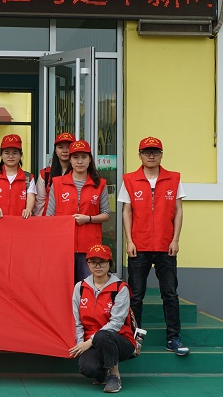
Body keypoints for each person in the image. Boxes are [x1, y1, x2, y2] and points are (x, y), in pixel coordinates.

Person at [118, 136, 189, 356]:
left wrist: (175, 239)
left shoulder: (173, 178)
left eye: (155, 151)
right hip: (139, 245)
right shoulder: (129, 179)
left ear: (161, 154)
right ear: (139, 155)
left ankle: (173, 338)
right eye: (146, 151)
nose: (151, 155)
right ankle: (132, 338)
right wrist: (129, 241)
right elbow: (127, 212)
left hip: (166, 246)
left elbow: (178, 210)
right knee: (136, 295)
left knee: (170, 294)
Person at [69, 244, 138, 394]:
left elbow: (116, 323)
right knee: (87, 368)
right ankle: (103, 373)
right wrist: (81, 344)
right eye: (93, 262)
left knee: (103, 335)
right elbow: (77, 321)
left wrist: (89, 342)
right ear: (88, 264)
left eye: (102, 262)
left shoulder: (120, 288)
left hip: (120, 340)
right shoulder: (80, 287)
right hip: (91, 342)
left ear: (109, 263)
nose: (98, 266)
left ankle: (115, 376)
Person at [46, 140, 110, 283]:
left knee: (87, 285)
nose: (80, 161)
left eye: (84, 157)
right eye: (75, 157)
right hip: (63, 245)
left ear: (90, 159)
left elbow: (106, 214)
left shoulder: (100, 184)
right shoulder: (58, 183)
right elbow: (50, 215)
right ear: (70, 160)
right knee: (62, 286)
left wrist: (88, 218)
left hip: (90, 245)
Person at [0, 134, 36, 219]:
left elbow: (31, 198)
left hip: (20, 222)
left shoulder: (28, 178)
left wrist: (28, 209)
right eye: (7, 153)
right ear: (0, 155)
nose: (11, 156)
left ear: (20, 155)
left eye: (15, 153)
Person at [33, 131, 75, 216]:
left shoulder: (80, 174)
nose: (65, 151)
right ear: (55, 150)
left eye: (68, 147)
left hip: (71, 219)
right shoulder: (46, 174)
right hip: (49, 220)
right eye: (60, 147)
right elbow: (39, 203)